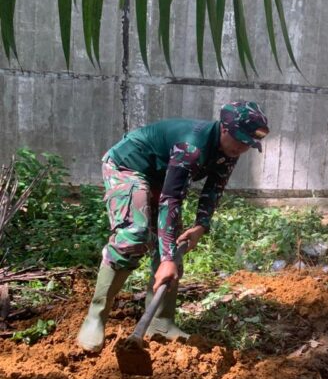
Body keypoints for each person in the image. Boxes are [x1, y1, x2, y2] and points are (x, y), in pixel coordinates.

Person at [76, 101, 269, 352]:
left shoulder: (229, 151)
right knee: (134, 235)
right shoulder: (191, 146)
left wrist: (201, 226)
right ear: (224, 128)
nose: (243, 148)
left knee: (172, 247)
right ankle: (96, 317)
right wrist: (166, 259)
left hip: (162, 177)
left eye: (248, 144)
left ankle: (160, 322)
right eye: (240, 140)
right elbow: (171, 198)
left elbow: (214, 189)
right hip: (129, 166)